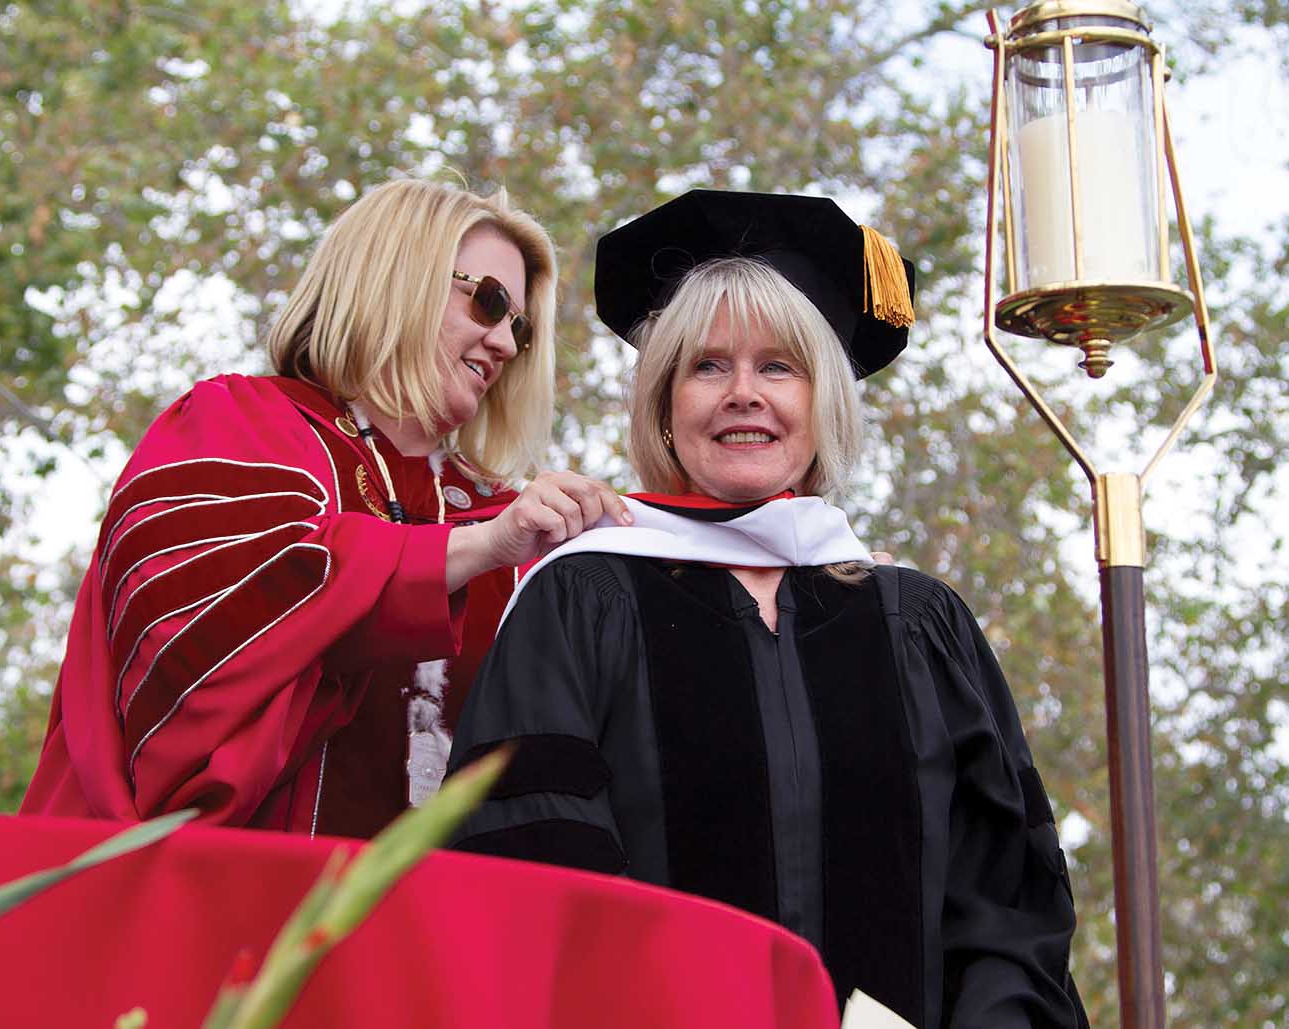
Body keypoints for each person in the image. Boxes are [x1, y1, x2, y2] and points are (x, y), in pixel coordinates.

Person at [446, 191, 1088, 1027]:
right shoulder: (584, 598)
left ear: (824, 405)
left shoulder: (919, 624)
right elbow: (530, 877)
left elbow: (1006, 904)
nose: (744, 392)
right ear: (666, 408)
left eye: (778, 366)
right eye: (709, 366)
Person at [22, 178, 629, 837]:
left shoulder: (501, 515)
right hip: (216, 901)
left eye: (520, 328)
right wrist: (472, 550)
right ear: (397, 277)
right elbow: (195, 657)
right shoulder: (237, 423)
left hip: (424, 926)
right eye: (488, 302)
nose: (506, 345)